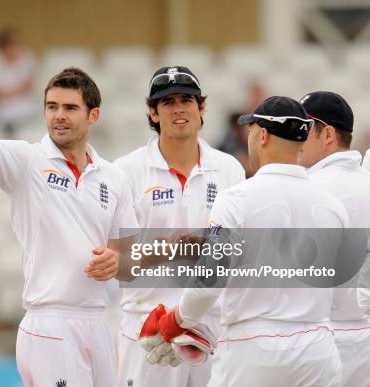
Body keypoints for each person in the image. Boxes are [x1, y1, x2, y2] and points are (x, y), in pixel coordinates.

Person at [0, 22, 138, 386]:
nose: (58, 115)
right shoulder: (26, 161)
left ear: (93, 115)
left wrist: (117, 259)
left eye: (69, 107)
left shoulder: (113, 176)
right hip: (50, 323)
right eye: (51, 107)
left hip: (98, 321)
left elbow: (127, 256)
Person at [140, 96, 349, 386]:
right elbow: (342, 295)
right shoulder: (333, 206)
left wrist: (176, 322)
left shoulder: (236, 199)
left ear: (262, 135)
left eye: (250, 130)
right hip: (317, 348)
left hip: (253, 349)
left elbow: (208, 281)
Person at [113, 66, 245, 387]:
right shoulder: (125, 172)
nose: (178, 109)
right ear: (153, 112)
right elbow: (119, 263)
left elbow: (242, 254)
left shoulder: (228, 169)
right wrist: (168, 249)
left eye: (186, 99)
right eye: (167, 102)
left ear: (201, 108)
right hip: (148, 324)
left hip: (210, 322)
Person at [297, 91, 370, 387]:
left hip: (323, 341)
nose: (295, 139)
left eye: (303, 130)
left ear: (326, 134)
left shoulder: (309, 189)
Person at [0, 27, 37, 138]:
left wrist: (8, 93)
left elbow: (29, 86)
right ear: (3, 46)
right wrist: (14, 92)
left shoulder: (28, 58)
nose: (15, 48)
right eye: (12, 44)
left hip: (23, 105)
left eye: (18, 44)